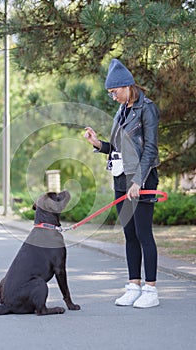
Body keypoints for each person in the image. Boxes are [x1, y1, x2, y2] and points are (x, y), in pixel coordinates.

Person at [84, 59, 160, 308]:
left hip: (141, 179)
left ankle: (151, 290)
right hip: (121, 179)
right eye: (110, 93)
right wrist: (98, 144)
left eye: (114, 92)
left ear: (127, 86)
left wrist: (138, 181)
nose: (112, 97)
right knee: (129, 235)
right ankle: (133, 286)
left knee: (143, 233)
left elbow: (150, 149)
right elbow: (116, 147)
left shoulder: (146, 108)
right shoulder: (122, 110)